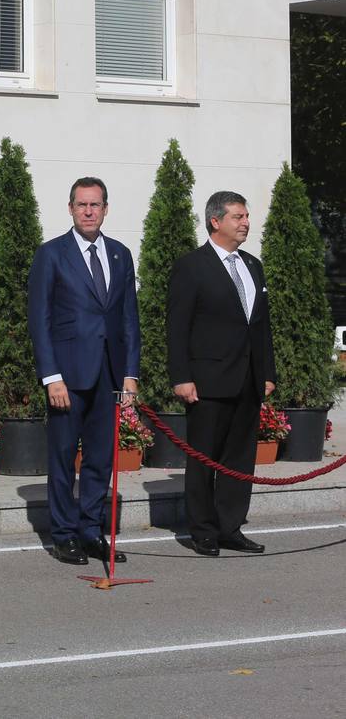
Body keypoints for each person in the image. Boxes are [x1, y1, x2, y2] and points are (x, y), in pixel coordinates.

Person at [27, 177, 140, 566]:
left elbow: (128, 319)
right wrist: (51, 376)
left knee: (100, 459)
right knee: (62, 457)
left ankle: (91, 531)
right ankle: (63, 535)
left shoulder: (120, 255)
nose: (89, 211)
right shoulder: (52, 254)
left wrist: (130, 373)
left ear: (106, 209)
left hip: (109, 376)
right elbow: (39, 321)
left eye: (95, 205)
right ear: (71, 209)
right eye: (81, 205)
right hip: (67, 378)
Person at [167, 191, 277, 557]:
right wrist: (181, 376)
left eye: (246, 216)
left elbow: (261, 327)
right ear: (216, 221)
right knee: (203, 458)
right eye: (238, 217)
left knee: (239, 458)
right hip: (207, 382)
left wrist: (267, 372)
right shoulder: (191, 266)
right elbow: (177, 326)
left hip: (248, 380)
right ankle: (203, 530)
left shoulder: (252, 265)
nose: (246, 222)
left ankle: (231, 526)